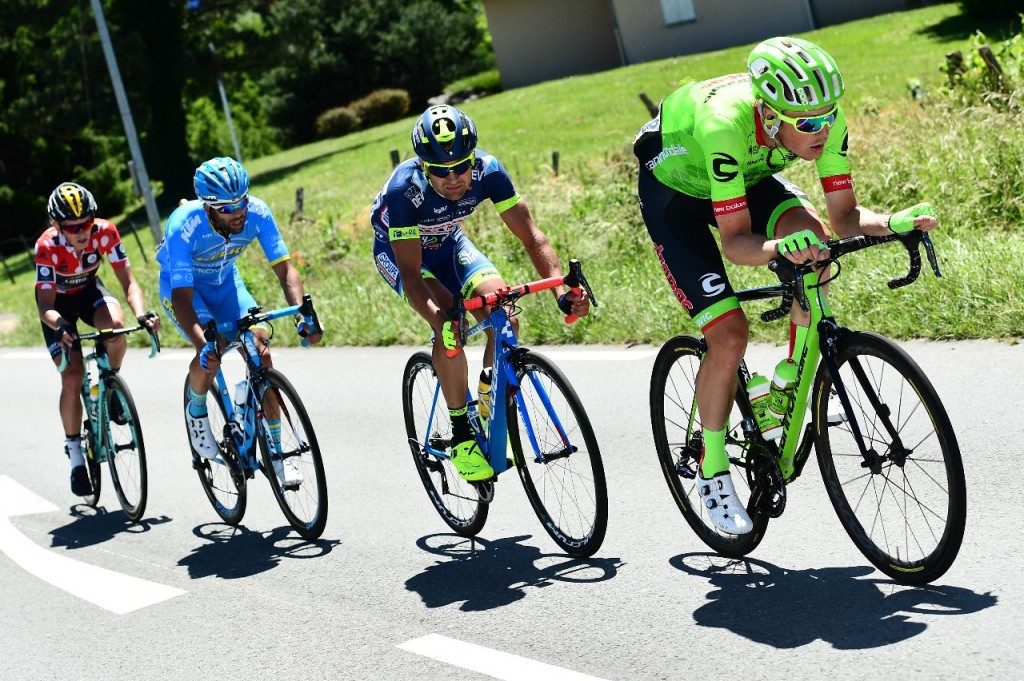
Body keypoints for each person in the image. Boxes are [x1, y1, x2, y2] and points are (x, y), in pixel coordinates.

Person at [633, 37, 938, 535]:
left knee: (817, 247)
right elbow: (736, 242)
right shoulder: (725, 125)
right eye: (810, 123)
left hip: (745, 175)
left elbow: (844, 219)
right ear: (771, 116)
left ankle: (788, 385)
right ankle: (712, 468)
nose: (824, 129)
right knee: (729, 334)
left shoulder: (820, 120)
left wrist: (893, 221)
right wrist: (778, 249)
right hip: (677, 192)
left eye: (829, 116)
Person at [370, 105, 590, 482]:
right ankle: (460, 434)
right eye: (440, 170)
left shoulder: (489, 171)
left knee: (505, 312)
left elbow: (532, 236)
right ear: (424, 166)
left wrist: (560, 289)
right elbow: (411, 274)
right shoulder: (405, 191)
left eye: (461, 166)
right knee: (449, 321)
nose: (454, 178)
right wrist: (441, 321)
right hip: (404, 256)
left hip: (451, 244)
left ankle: (489, 394)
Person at [156, 156, 322, 489]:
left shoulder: (258, 212)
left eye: (242, 201)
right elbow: (182, 297)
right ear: (208, 208)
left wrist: (303, 311)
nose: (239, 212)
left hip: (227, 282)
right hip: (186, 292)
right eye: (227, 208)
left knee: (260, 351)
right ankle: (198, 410)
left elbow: (285, 269)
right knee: (213, 349)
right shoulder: (183, 225)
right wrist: (202, 344)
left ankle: (277, 454)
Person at [35, 181, 160, 496]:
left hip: (90, 293)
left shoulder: (106, 232)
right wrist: (62, 326)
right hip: (58, 308)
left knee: (115, 327)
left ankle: (111, 385)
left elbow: (128, 281)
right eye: (73, 227)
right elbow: (45, 306)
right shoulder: (47, 247)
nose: (82, 231)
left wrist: (142, 313)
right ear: (57, 225)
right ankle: (76, 455)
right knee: (73, 378)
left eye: (86, 223)